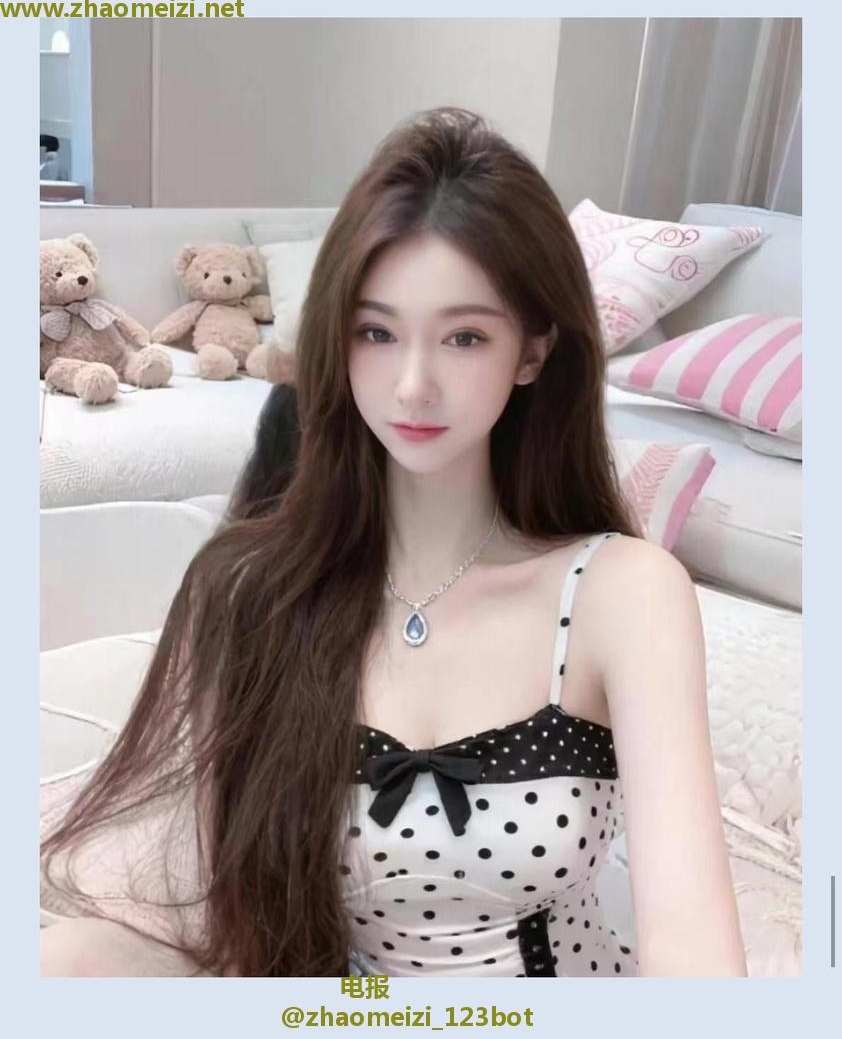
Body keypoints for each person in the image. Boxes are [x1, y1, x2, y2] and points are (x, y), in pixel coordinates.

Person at [40, 107, 747, 978]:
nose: (412, 385)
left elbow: (693, 945)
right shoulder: (252, 588)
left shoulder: (623, 591)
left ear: (532, 352)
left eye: (464, 337)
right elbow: (216, 911)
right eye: (376, 332)